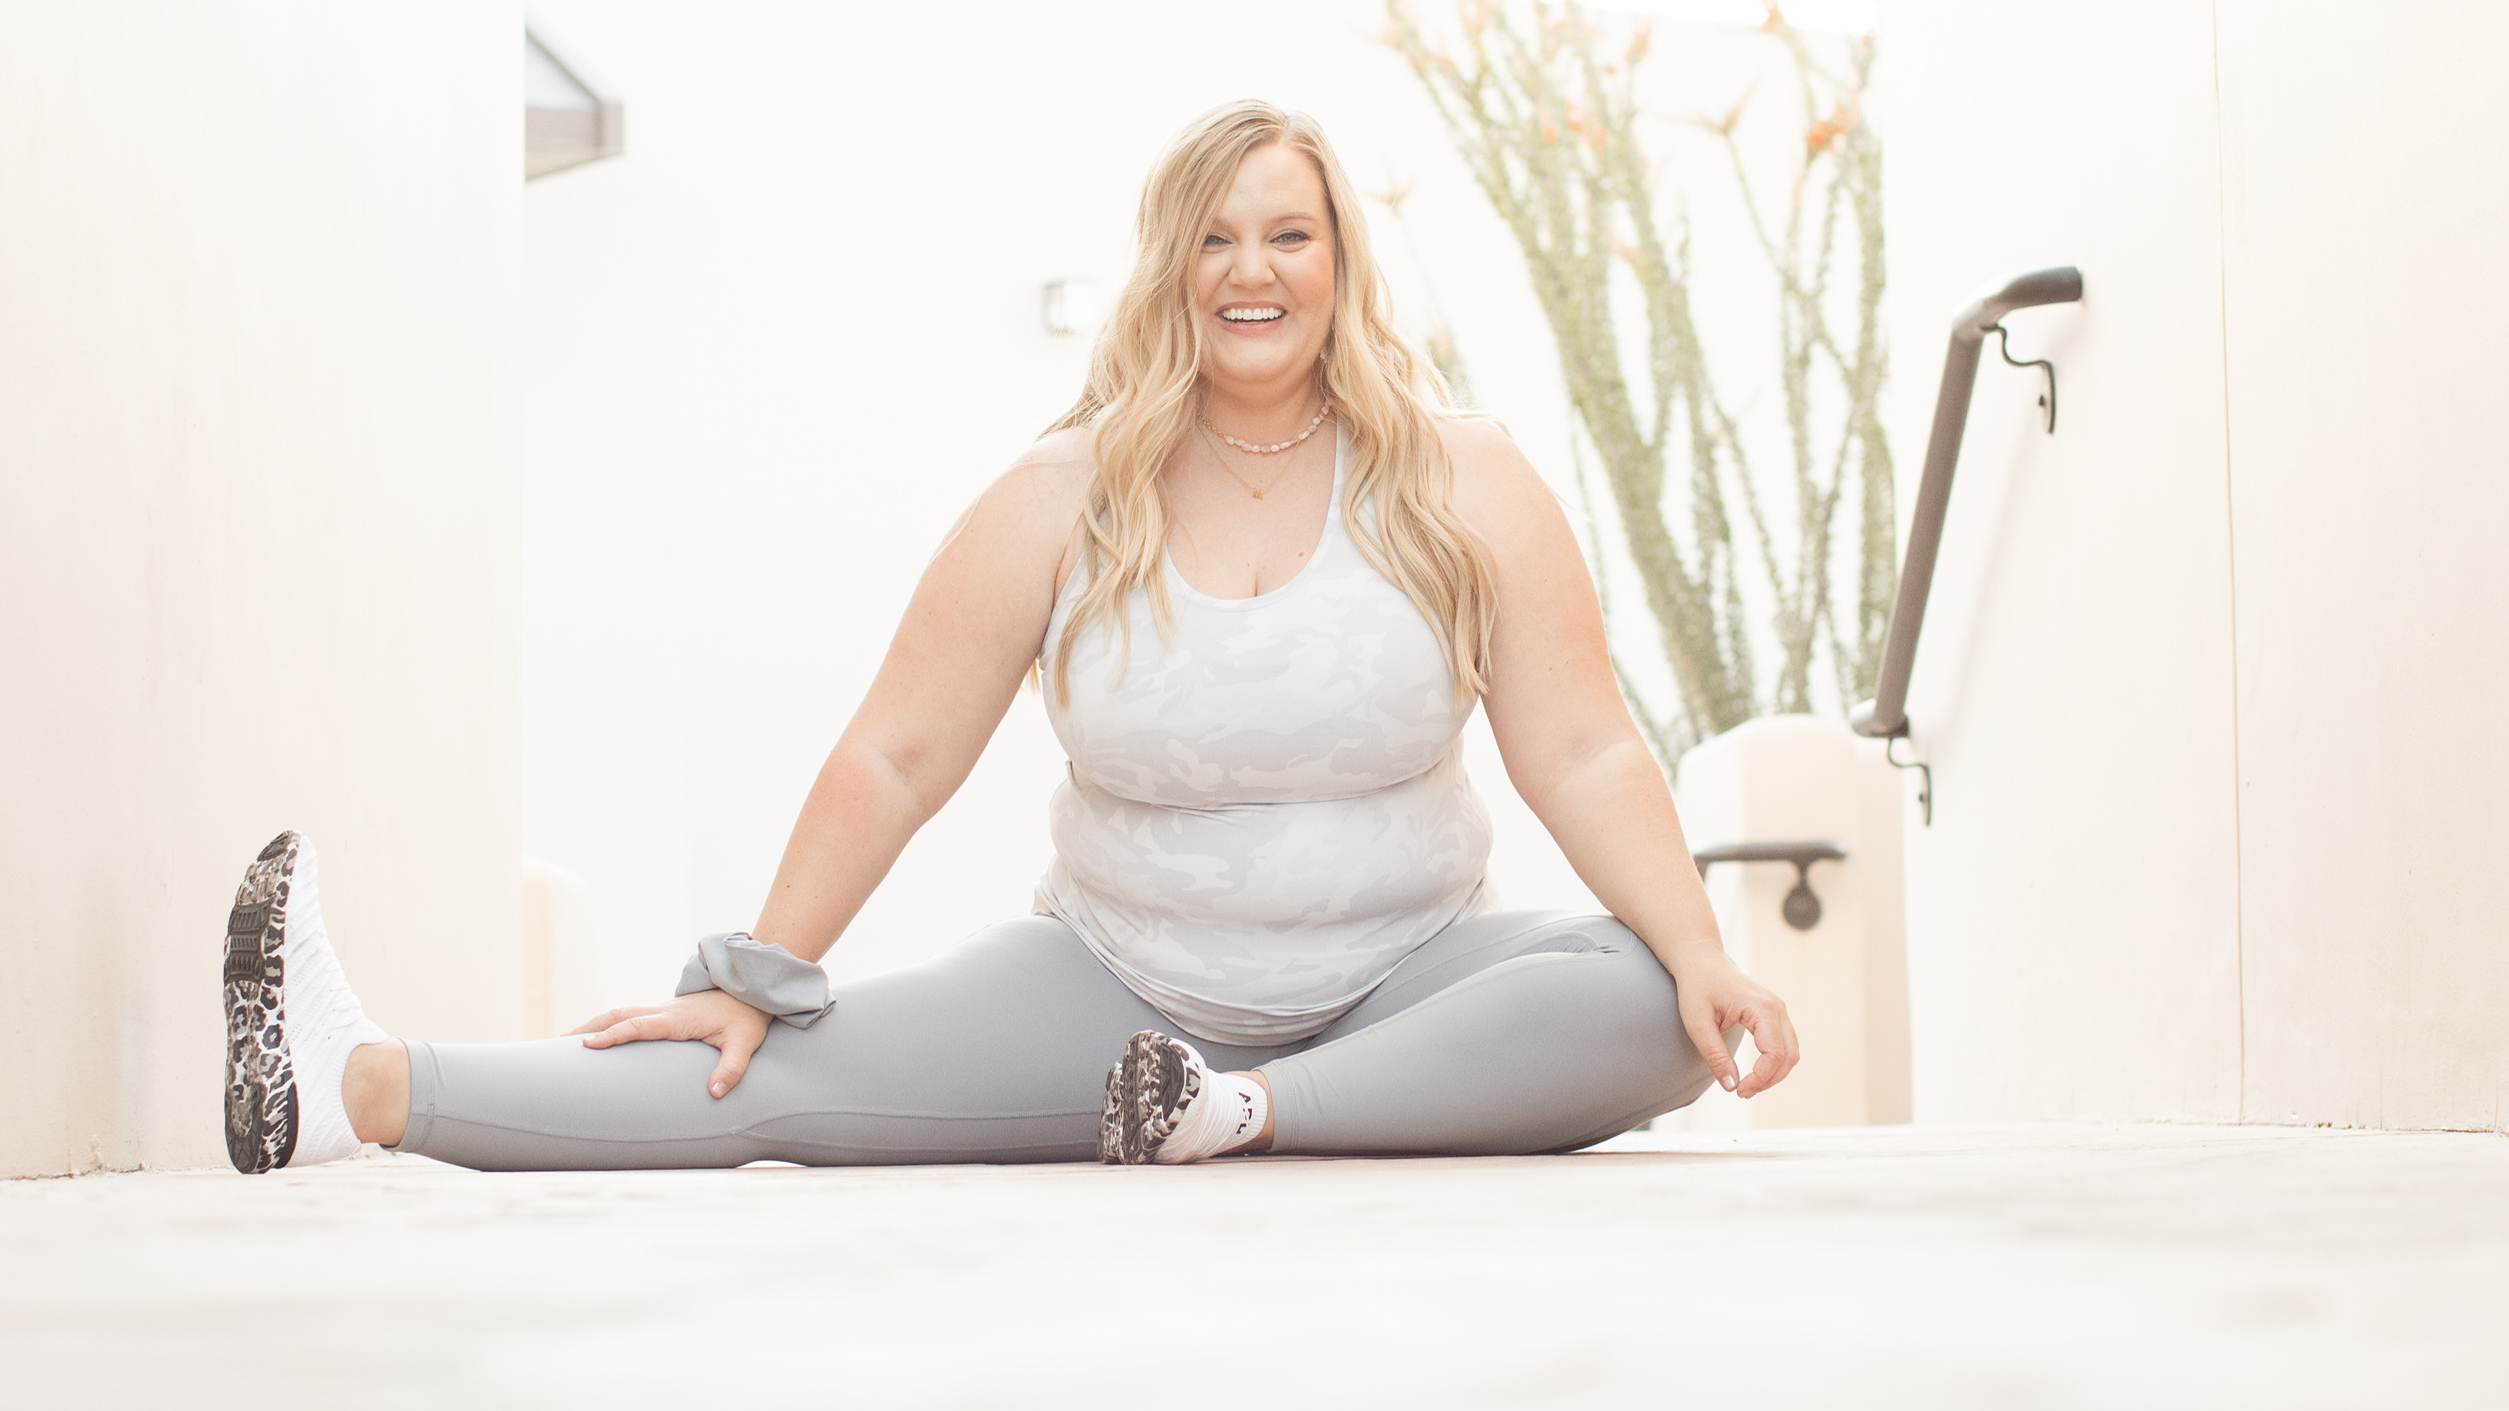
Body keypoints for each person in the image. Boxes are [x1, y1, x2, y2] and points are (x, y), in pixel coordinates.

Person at [219, 99, 1799, 1177]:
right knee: (763, 1078)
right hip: (1109, 987)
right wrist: (764, 969)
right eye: (1214, 238)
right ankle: (362, 1087)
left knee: (1638, 991)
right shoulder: (1061, 491)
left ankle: (1243, 1113)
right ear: (1167, 265)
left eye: (1289, 237)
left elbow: (1581, 746)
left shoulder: (1467, 474)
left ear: (1337, 263)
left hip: (1409, 981)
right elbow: (900, 751)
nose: (1251, 272)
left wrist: (1704, 950)